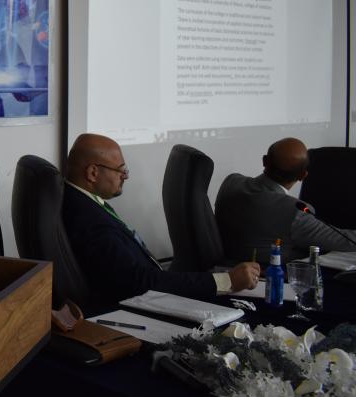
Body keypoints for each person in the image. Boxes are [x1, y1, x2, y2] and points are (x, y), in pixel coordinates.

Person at [62, 134, 259, 314]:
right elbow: (139, 282)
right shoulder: (88, 220)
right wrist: (226, 281)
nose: (126, 176)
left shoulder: (82, 201)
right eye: (120, 170)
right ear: (93, 173)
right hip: (136, 309)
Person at [215, 137, 356, 264]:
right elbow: (346, 241)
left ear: (264, 161)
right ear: (303, 176)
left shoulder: (231, 182)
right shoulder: (296, 212)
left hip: (228, 271)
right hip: (274, 276)